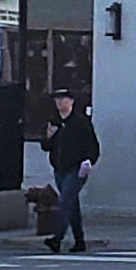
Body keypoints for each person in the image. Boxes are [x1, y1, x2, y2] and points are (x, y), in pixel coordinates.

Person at [41, 88, 100, 253]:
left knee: (65, 202)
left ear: (71, 102)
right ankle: (79, 241)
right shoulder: (54, 122)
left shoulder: (81, 122)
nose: (60, 103)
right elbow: (46, 146)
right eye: (57, 100)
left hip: (77, 169)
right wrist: (48, 137)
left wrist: (89, 160)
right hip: (60, 169)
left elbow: (92, 145)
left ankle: (57, 238)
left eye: (63, 99)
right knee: (72, 205)